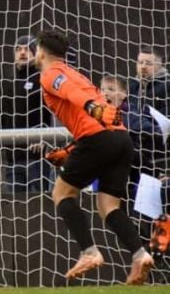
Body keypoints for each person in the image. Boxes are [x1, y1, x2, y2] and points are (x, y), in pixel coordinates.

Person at [35, 30, 153, 284]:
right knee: (109, 207)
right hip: (120, 139)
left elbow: (70, 94)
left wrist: (92, 107)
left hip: (98, 137)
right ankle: (140, 254)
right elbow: (83, 110)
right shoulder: (77, 73)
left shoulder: (51, 73)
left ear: (41, 52)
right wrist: (70, 150)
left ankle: (89, 252)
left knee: (62, 194)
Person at [0, 35, 52, 193]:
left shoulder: (43, 80)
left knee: (39, 203)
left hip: (37, 157)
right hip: (13, 159)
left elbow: (50, 113)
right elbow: (1, 118)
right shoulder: (7, 85)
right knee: (16, 207)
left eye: (27, 49)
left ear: (36, 54)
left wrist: (44, 137)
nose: (22, 53)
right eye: (18, 49)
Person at [127, 47, 170, 181]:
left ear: (160, 64)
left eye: (148, 63)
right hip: (133, 151)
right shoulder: (131, 86)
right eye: (140, 62)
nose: (143, 67)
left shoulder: (167, 86)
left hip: (159, 153)